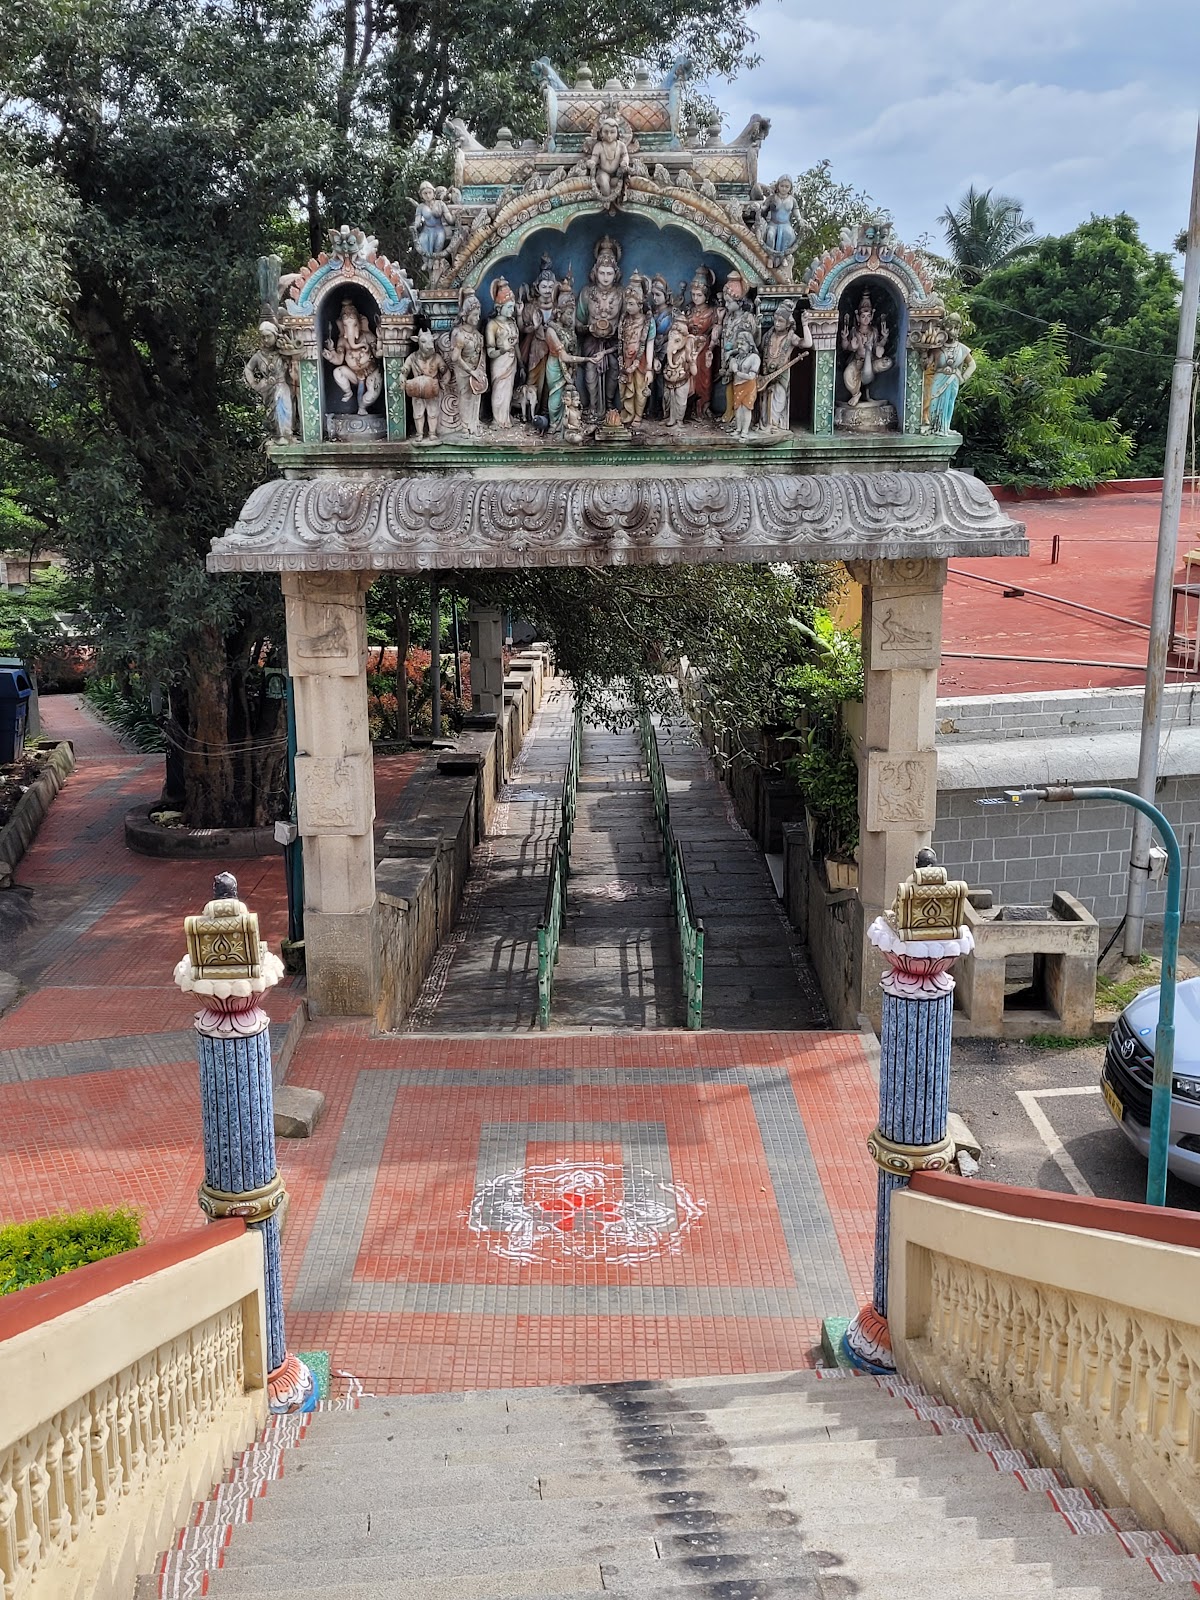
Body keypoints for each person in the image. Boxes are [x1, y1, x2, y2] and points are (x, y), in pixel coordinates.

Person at [486, 281, 519, 429]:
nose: (512, 310)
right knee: (499, 391)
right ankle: (497, 420)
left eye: (513, 307)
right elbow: (490, 352)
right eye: (509, 307)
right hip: (499, 362)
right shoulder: (492, 325)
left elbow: (516, 344)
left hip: (512, 361)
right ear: (499, 308)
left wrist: (522, 362)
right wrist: (503, 350)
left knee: (508, 391)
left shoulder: (512, 322)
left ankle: (505, 417)